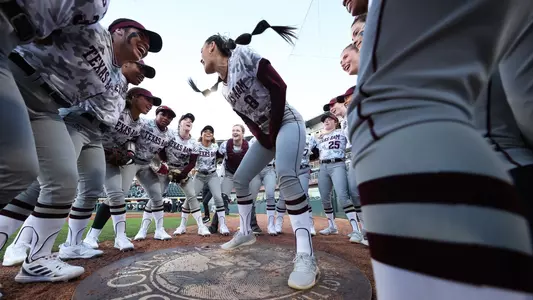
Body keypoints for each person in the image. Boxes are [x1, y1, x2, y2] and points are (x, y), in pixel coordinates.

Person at [343, 0, 533, 299]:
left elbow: (390, 106)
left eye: (358, 37)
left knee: (386, 107)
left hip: (487, 183)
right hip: (506, 172)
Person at [3, 17, 161, 283]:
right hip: (26, 83)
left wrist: (122, 149)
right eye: (140, 38)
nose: (144, 47)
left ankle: (50, 254)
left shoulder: (117, 81)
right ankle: (20, 244)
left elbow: (110, 117)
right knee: (28, 177)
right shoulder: (92, 33)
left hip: (60, 114)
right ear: (118, 32)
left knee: (70, 183)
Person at [189, 20, 318, 290]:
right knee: (241, 179)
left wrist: (270, 132)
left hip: (286, 120)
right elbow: (247, 118)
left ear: (212, 46)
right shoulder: (224, 89)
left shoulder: (242, 55)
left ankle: (306, 255)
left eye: (202, 51)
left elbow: (279, 87)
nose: (200, 58)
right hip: (266, 131)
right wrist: (263, 137)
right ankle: (246, 233)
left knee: (286, 175)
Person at [0, 0, 111, 215]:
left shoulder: (102, 8)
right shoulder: (99, 35)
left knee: (23, 171)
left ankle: (38, 248)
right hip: (19, 68)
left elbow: (48, 33)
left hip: (49, 102)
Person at [84, 106, 175, 246]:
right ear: (157, 114)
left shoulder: (169, 135)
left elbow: (160, 153)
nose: (166, 118)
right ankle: (92, 234)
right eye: (163, 114)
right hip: (131, 162)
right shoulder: (144, 123)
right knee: (117, 195)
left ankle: (159, 230)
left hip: (147, 165)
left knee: (157, 196)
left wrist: (161, 164)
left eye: (169, 117)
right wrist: (128, 152)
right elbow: (130, 138)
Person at [139, 113, 211, 238]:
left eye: (191, 121)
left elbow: (193, 162)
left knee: (192, 196)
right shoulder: (171, 134)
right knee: (156, 195)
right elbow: (160, 149)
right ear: (180, 123)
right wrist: (165, 164)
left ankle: (201, 226)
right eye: (186, 120)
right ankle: (143, 229)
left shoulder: (193, 142)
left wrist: (182, 174)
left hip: (182, 171)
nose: (189, 122)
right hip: (167, 168)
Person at [313, 112, 361, 242]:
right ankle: (332, 226)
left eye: (329, 119)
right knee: (324, 199)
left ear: (336, 121)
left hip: (338, 164)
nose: (326, 122)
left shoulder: (341, 132)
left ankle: (357, 230)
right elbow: (314, 153)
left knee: (343, 197)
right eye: (324, 121)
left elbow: (352, 141)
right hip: (323, 167)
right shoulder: (319, 137)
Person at [209, 125, 262, 234]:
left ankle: (253, 225)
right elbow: (218, 157)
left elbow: (255, 158)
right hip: (229, 174)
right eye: (233, 130)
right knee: (222, 198)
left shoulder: (249, 145)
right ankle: (214, 225)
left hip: (243, 175)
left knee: (249, 199)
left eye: (237, 130)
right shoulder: (225, 144)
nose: (235, 132)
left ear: (243, 133)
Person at [187, 125, 228, 235]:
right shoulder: (196, 145)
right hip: (199, 175)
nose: (208, 133)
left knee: (218, 198)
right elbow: (191, 159)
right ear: (201, 134)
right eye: (205, 131)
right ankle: (182, 225)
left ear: (213, 135)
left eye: (211, 132)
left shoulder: (215, 146)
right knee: (191, 197)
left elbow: (220, 157)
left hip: (212, 175)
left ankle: (223, 225)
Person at [275, 133, 318, 235]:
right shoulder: (284, 135)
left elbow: (316, 153)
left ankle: (309, 224)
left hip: (303, 169)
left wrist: (306, 161)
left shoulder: (310, 137)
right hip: (288, 170)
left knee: (304, 196)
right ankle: (278, 222)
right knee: (282, 197)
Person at [248, 137, 277, 235]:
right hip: (256, 169)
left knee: (270, 195)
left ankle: (271, 226)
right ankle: (250, 224)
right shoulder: (252, 140)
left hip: (269, 169)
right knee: (252, 198)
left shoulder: (273, 137)